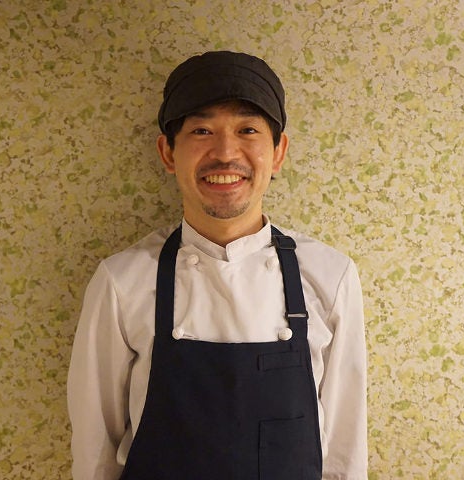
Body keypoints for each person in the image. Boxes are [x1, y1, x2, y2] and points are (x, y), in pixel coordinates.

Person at [68, 51, 367, 479]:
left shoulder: (331, 276)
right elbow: (94, 454)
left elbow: (344, 453)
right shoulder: (121, 281)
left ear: (278, 152)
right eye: (202, 130)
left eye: (248, 130)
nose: (226, 153)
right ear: (168, 153)